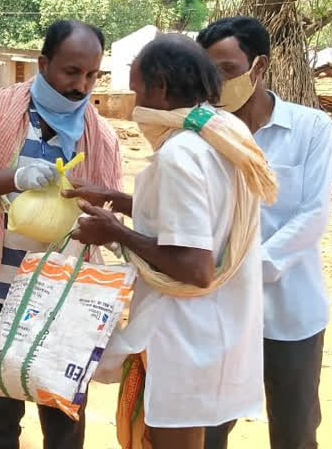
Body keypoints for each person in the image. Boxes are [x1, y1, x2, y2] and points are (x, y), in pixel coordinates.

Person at [66, 34, 266, 449]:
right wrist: (117, 199)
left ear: (160, 88)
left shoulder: (182, 153)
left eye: (137, 90)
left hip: (184, 337)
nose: (135, 101)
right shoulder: (223, 133)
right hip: (217, 330)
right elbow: (197, 217)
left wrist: (114, 231)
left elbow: (196, 267)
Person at [0, 19, 123, 449]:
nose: (81, 85)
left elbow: (108, 214)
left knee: (63, 421)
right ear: (43, 63)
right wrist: (16, 177)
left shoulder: (100, 136)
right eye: (71, 72)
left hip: (67, 297)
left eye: (91, 75)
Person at [198, 17, 332, 449]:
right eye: (207, 73)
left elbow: (312, 215)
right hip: (218, 313)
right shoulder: (201, 133)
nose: (216, 84)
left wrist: (245, 269)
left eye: (226, 70)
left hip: (291, 312)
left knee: (294, 433)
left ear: (258, 68)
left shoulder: (311, 128)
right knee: (206, 429)